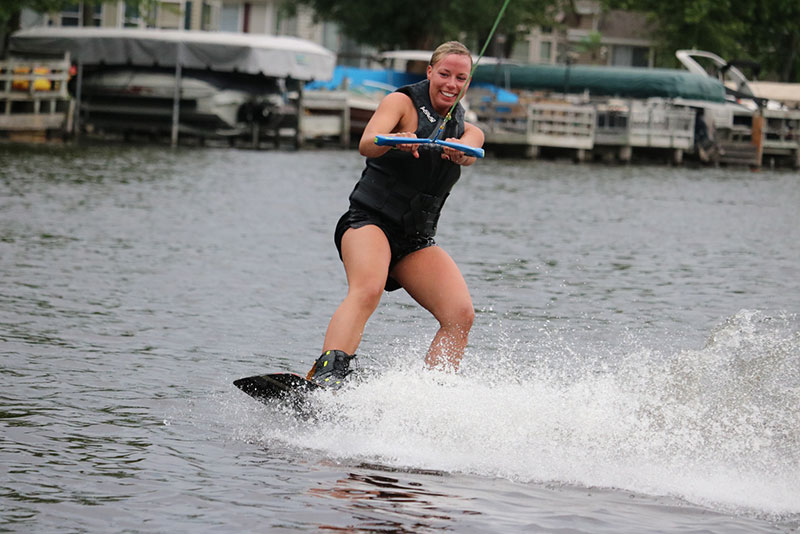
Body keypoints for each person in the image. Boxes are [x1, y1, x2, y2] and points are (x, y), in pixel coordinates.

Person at [307, 41, 485, 387]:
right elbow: (367, 142)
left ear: (467, 83)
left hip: (415, 239)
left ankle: (432, 394)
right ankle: (327, 377)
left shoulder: (464, 124)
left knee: (460, 315)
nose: (451, 83)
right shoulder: (401, 103)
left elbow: (476, 140)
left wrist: (466, 152)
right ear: (430, 72)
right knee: (368, 288)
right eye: (445, 74)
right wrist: (393, 139)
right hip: (369, 222)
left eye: (461, 78)